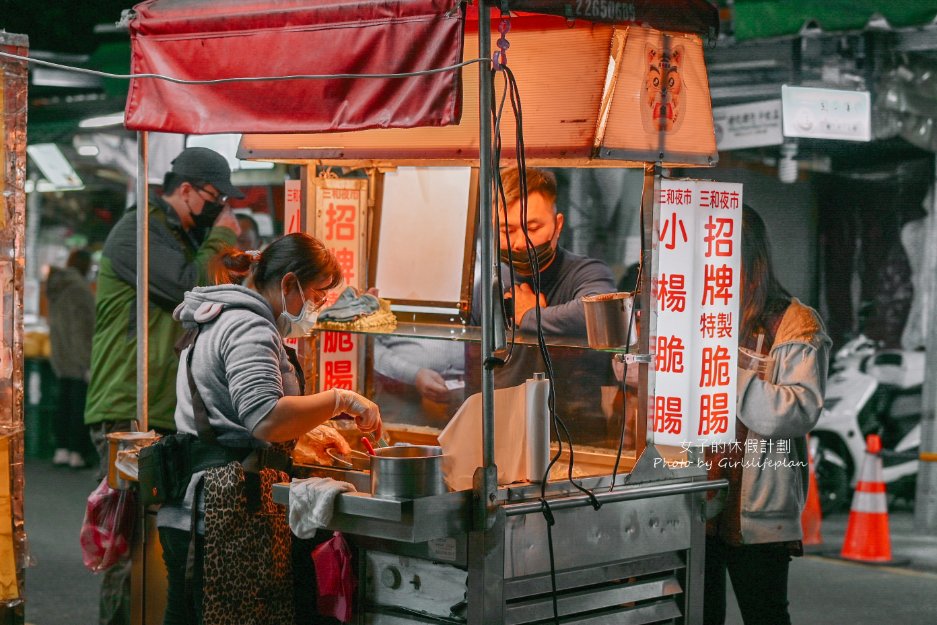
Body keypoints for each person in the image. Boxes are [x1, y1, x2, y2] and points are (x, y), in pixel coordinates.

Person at [157, 233, 382, 625]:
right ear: (289, 284)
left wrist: (309, 428)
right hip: (223, 510)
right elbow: (264, 418)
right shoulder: (249, 327)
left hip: (199, 504)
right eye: (315, 295)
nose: (315, 307)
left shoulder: (223, 315)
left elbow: (228, 408)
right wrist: (340, 400)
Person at [83, 146, 242, 625]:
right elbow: (197, 287)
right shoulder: (138, 232)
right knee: (130, 548)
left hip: (159, 408)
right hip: (127, 409)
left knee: (162, 545)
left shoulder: (177, 233)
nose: (220, 210)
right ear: (186, 190)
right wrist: (221, 237)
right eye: (214, 198)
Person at [703, 205, 831, 625]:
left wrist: (727, 373)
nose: (712, 272)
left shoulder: (795, 323)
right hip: (692, 500)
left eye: (722, 260)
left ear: (750, 261)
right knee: (698, 615)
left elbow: (797, 410)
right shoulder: (697, 314)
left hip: (757, 510)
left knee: (766, 615)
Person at [469, 166, 618, 446]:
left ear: (557, 225)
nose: (519, 242)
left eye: (533, 228)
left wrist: (529, 316)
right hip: (502, 430)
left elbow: (596, 314)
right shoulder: (489, 284)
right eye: (507, 230)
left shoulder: (586, 273)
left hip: (575, 432)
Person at [45, 248, 96, 468]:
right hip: (78, 356)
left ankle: (61, 450)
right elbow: (83, 329)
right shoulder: (80, 290)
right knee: (79, 406)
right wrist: (87, 361)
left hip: (60, 354)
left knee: (63, 403)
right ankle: (77, 453)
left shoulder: (57, 287)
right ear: (84, 265)